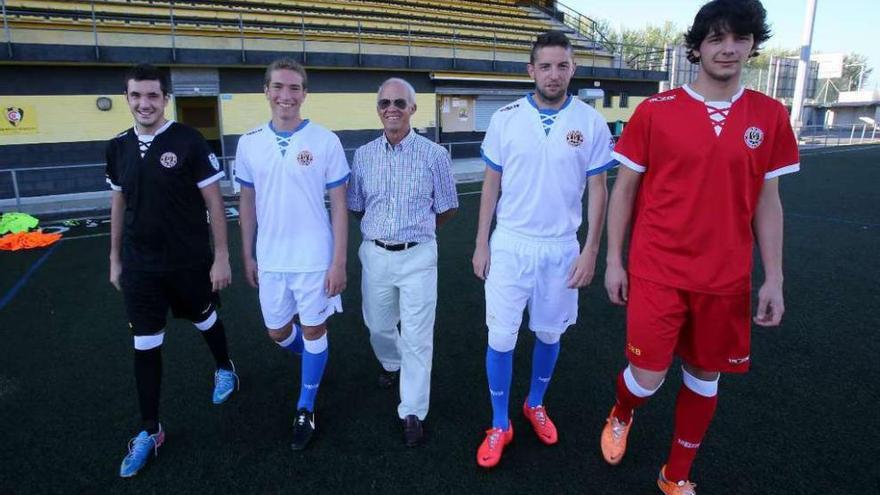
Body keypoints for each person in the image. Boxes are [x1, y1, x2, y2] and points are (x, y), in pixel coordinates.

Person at [598, 1, 800, 493]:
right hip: (657, 269)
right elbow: (623, 190)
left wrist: (773, 277)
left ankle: (676, 476)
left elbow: (767, 203)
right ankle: (623, 409)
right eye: (716, 38)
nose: (728, 48)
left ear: (753, 44)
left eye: (740, 38)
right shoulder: (655, 111)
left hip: (725, 277)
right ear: (697, 47)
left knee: (704, 376)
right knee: (647, 377)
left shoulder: (769, 116)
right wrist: (612, 261)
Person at [472, 31, 613, 468]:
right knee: (501, 337)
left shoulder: (590, 122)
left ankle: (535, 403)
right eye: (545, 66)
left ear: (573, 69)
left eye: (562, 65)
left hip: (560, 249)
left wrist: (591, 250)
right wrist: (481, 243)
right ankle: (500, 422)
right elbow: (491, 184)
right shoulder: (506, 118)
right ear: (530, 70)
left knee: (549, 333)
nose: (554, 74)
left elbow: (599, 189)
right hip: (510, 244)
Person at [107, 64, 237, 477]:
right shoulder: (117, 147)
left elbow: (215, 202)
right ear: (127, 99)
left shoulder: (189, 140)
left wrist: (222, 256)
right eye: (135, 96)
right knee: (145, 346)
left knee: (203, 317)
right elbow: (118, 204)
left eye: (152, 96)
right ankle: (150, 429)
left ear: (165, 99)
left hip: (187, 260)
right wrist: (115, 258)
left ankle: (224, 368)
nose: (144, 104)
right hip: (141, 267)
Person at [235, 58, 349, 451]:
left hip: (315, 258)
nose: (286, 96)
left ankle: (306, 404)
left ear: (305, 93)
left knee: (316, 329)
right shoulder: (249, 142)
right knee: (277, 332)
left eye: (294, 88)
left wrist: (338, 261)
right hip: (271, 258)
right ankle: (314, 359)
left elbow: (339, 205)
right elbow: (246, 204)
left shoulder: (325, 140)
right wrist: (247, 255)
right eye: (278, 87)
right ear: (266, 91)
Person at [347, 78, 458, 447]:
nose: (391, 108)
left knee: (417, 336)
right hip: (376, 254)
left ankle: (412, 409)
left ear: (413, 108)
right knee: (378, 325)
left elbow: (447, 207)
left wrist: (418, 230)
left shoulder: (435, 155)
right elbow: (357, 205)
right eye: (384, 103)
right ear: (377, 109)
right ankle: (391, 364)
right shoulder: (363, 156)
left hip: (419, 256)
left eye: (399, 102)